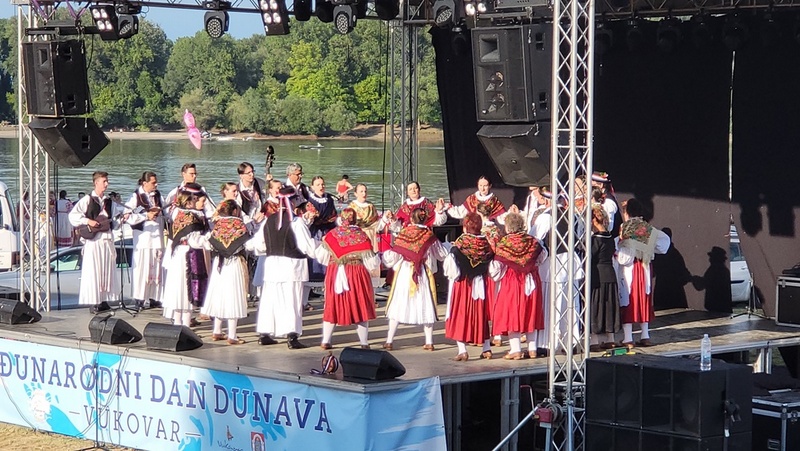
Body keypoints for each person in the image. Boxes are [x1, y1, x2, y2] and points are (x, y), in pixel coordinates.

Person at [247, 187, 318, 349]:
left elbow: (258, 244)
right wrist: (320, 248)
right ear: (292, 202)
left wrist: (273, 249)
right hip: (292, 266)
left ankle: (265, 333)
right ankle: (292, 336)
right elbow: (307, 247)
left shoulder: (268, 220)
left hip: (272, 265)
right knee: (292, 300)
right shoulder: (296, 222)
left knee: (270, 299)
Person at [382, 208, 448, 351]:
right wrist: (449, 247)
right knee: (426, 302)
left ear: (411, 219)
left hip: (405, 271)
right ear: (425, 220)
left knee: (398, 301)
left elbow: (394, 256)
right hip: (421, 271)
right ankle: (429, 341)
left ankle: (389, 340)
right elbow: (442, 254)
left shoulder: (404, 233)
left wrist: (384, 256)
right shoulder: (429, 235)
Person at [314, 208, 379, 349]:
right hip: (356, 272)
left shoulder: (332, 235)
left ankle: (326, 340)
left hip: (335, 271)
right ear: (355, 219)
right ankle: (364, 343)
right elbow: (372, 263)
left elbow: (320, 256)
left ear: (341, 219)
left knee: (332, 304)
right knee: (359, 304)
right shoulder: (361, 235)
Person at [67, 171, 129, 313]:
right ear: (96, 183)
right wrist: (87, 221)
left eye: (107, 181)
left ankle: (104, 300)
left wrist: (121, 219)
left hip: (106, 240)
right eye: (104, 181)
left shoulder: (109, 202)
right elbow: (73, 216)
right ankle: (94, 302)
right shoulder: (87, 199)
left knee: (106, 271)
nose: (106, 184)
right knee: (93, 271)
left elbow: (114, 222)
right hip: (93, 241)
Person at [616, 198, 671, 348]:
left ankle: (628, 338)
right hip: (645, 266)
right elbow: (664, 243)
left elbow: (626, 253)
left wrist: (618, 254)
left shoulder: (626, 227)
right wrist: (648, 249)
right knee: (644, 299)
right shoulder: (647, 227)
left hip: (631, 267)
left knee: (628, 300)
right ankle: (645, 335)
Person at [490, 212, 545, 360]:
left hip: (512, 281)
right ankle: (532, 349)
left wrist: (495, 275)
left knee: (512, 313)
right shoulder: (533, 241)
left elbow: (497, 267)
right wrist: (530, 266)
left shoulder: (504, 243)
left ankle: (515, 349)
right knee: (531, 312)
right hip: (532, 280)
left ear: (508, 227)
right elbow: (542, 256)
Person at [444, 213, 495, 361]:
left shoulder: (461, 243)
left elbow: (451, 269)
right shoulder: (486, 244)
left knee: (461, 314)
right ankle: (486, 348)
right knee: (481, 314)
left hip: (464, 284)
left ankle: (462, 351)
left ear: (465, 226)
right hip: (481, 284)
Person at [201, 200, 251, 345]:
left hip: (219, 263)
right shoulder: (239, 224)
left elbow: (209, 244)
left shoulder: (218, 225)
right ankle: (232, 335)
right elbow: (246, 244)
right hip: (234, 262)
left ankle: (217, 330)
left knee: (219, 294)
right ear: (234, 211)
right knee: (234, 295)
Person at [160, 184, 210, 327]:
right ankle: (186, 324)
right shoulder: (192, 217)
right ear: (188, 202)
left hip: (176, 254)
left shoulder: (178, 214)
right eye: (194, 200)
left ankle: (177, 322)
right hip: (188, 255)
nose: (197, 202)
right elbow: (195, 240)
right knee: (188, 288)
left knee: (178, 288)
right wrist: (209, 240)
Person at [125, 171, 166, 311]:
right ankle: (140, 298)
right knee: (142, 270)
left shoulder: (158, 195)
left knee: (157, 269)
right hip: (143, 240)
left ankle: (155, 297)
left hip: (157, 238)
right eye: (153, 183)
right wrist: (145, 216)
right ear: (145, 183)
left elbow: (166, 212)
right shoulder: (135, 197)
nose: (156, 185)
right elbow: (127, 216)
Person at [589, 202, 620, 351]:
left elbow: (590, 256)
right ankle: (610, 338)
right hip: (610, 273)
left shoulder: (596, 239)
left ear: (594, 220)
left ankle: (594, 340)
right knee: (609, 306)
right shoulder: (609, 237)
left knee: (596, 306)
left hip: (598, 275)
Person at [347, 183, 381, 252]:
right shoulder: (352, 207)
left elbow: (376, 221)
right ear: (356, 194)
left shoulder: (370, 206)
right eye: (361, 192)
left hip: (370, 234)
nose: (364, 194)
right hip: (357, 234)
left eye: (365, 191)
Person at [235, 161, 266, 226]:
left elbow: (269, 192)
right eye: (248, 173)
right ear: (241, 176)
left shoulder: (258, 182)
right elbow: (240, 213)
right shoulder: (238, 191)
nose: (252, 174)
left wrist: (270, 182)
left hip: (262, 219)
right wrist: (252, 222)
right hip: (247, 223)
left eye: (252, 171)